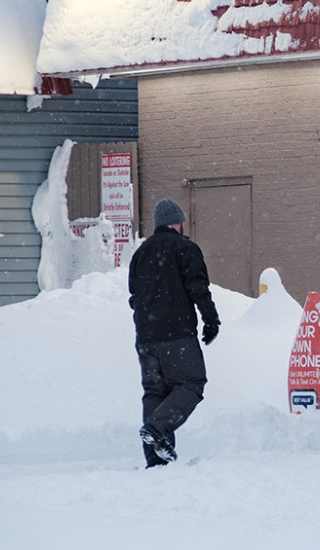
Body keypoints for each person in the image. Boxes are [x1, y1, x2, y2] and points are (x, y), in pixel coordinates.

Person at [128, 198, 220, 468]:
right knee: (191, 384)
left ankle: (156, 458)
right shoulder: (185, 248)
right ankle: (157, 430)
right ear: (177, 222)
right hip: (176, 334)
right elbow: (198, 288)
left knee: (155, 392)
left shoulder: (140, 254)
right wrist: (211, 320)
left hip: (145, 337)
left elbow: (134, 296)